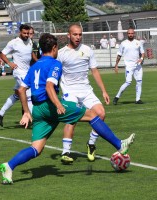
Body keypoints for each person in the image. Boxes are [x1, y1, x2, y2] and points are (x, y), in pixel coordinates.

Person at [0, 33, 135, 184]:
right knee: (92, 114)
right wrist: (58, 104)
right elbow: (50, 87)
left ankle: (9, 166)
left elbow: (21, 90)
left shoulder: (35, 66)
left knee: (36, 148)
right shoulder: (55, 63)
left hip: (37, 110)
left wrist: (26, 112)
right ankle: (119, 144)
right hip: (50, 105)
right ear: (54, 48)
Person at [57, 24, 110, 163]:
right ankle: (66, 152)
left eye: (80, 34)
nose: (78, 37)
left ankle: (91, 144)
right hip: (70, 91)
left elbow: (95, 71)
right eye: (75, 34)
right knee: (71, 119)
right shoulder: (61, 53)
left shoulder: (88, 50)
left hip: (86, 90)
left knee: (101, 113)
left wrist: (103, 91)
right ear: (68, 35)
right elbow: (54, 75)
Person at [0, 24, 33, 127]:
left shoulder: (30, 41)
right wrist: (10, 63)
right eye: (24, 33)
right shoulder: (14, 43)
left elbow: (30, 56)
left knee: (17, 95)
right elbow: (2, 54)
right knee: (28, 94)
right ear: (20, 32)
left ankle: (0, 113)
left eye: (27, 33)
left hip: (27, 72)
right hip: (19, 72)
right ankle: (33, 118)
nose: (26, 35)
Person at [113, 28, 145, 105]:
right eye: (129, 33)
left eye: (132, 33)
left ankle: (138, 99)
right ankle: (117, 97)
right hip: (129, 66)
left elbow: (143, 53)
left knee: (139, 82)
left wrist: (141, 59)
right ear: (127, 34)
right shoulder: (123, 43)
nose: (130, 35)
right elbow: (119, 55)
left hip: (138, 66)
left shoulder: (138, 43)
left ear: (134, 34)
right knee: (128, 82)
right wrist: (116, 65)